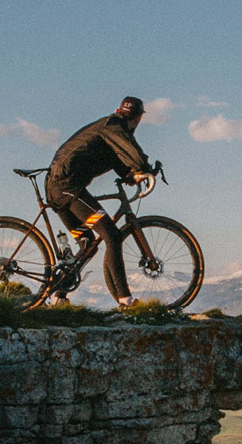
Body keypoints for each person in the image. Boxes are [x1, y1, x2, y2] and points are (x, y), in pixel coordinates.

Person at [46, 98, 162, 300]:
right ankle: (125, 299)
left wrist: (129, 174)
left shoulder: (108, 128)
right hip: (68, 189)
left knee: (87, 243)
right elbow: (130, 150)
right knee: (112, 235)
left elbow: (116, 156)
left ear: (119, 109)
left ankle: (59, 296)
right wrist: (144, 169)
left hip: (59, 189)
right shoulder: (115, 126)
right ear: (139, 117)